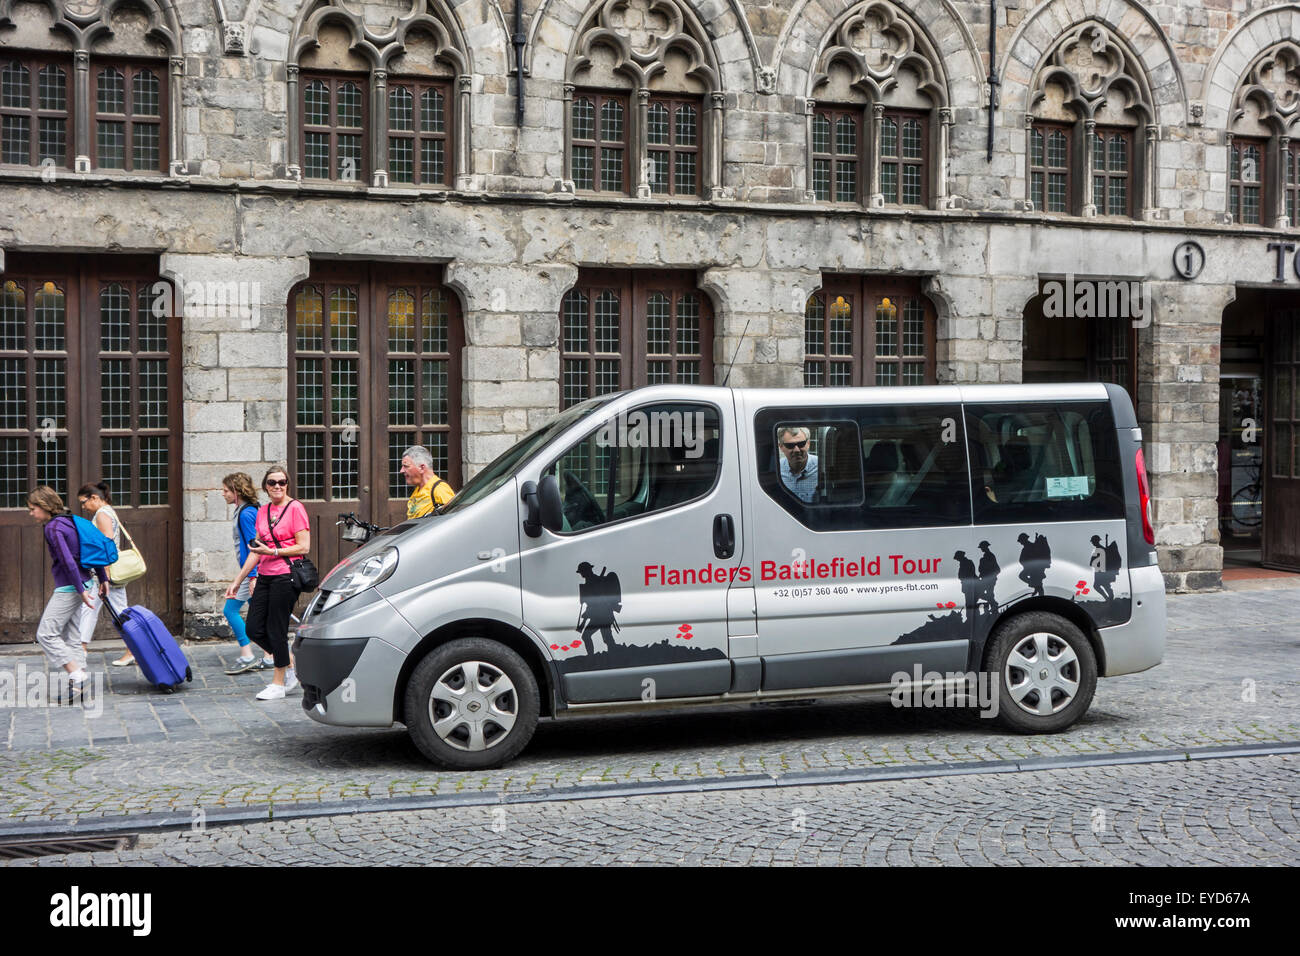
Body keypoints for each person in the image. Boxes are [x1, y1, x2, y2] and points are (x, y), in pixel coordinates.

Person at [230, 465, 311, 700]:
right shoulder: (263, 511)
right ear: (265, 486)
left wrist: (274, 551)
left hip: (286, 575)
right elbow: (256, 550)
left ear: (287, 484)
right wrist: (238, 580)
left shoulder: (296, 508)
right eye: (272, 483)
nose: (278, 486)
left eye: (282, 482)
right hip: (265, 575)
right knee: (253, 628)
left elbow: (304, 546)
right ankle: (290, 663)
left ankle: (278, 683)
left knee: (276, 628)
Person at [28, 486, 107, 693]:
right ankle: (79, 685)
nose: (31, 513)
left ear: (44, 507)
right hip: (83, 583)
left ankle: (77, 675)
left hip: (71, 587)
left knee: (46, 634)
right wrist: (102, 577)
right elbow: (94, 547)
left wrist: (80, 589)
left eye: (32, 508)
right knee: (72, 634)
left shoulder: (53, 528)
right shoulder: (72, 520)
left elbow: (67, 561)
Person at [75, 482, 134, 666]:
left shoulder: (102, 514)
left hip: (106, 572)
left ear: (94, 498)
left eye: (84, 502)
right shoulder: (108, 511)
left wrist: (104, 576)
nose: (83, 507)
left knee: (93, 608)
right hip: (108, 571)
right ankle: (133, 648)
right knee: (113, 610)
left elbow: (107, 543)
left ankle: (82, 649)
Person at [221, 473, 268, 675]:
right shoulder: (245, 510)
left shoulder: (246, 513)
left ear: (236, 492)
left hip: (251, 574)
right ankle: (267, 655)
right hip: (249, 574)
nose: (223, 494)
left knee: (230, 610)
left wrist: (253, 577)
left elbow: (254, 547)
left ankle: (249, 654)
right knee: (260, 616)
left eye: (225, 490)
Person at [401, 445, 455, 519]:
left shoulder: (440, 489)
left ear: (422, 468)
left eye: (406, 466)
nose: (402, 471)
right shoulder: (418, 490)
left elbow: (453, 520)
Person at [778, 426, 818, 503]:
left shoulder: (822, 466)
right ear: (781, 447)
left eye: (801, 444)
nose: (796, 450)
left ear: (808, 443)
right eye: (790, 445)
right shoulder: (776, 469)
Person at [976, 540, 1000, 615]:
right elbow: (981, 570)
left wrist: (991, 577)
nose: (981, 549)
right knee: (986, 593)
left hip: (990, 579)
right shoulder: (985, 557)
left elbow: (995, 569)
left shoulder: (990, 556)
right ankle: (993, 603)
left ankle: (994, 605)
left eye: (982, 547)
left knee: (989, 593)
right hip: (985, 579)